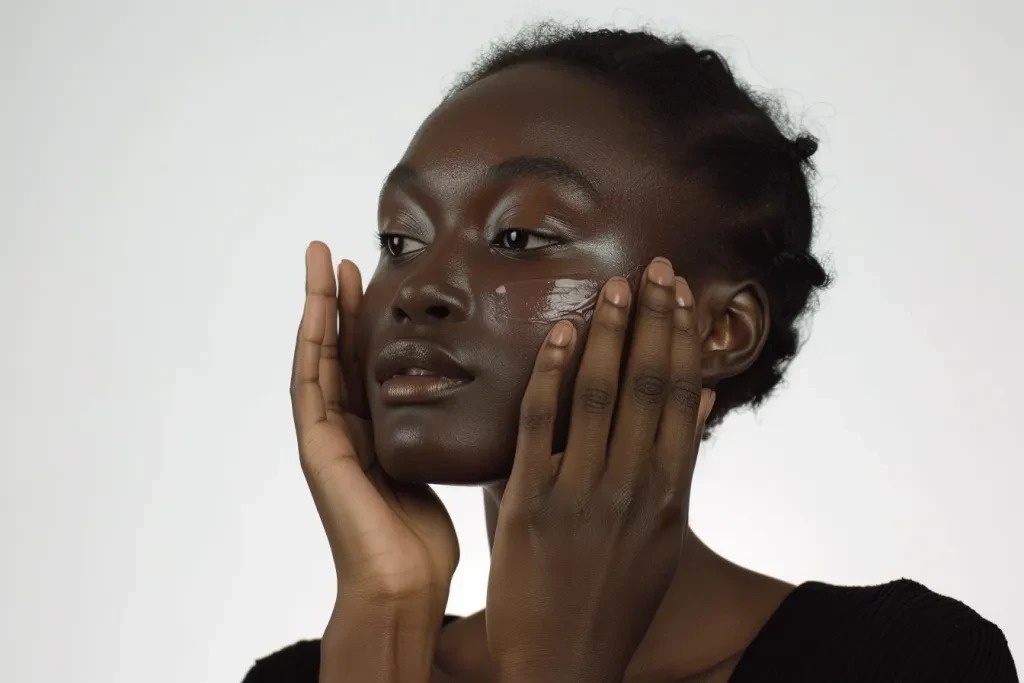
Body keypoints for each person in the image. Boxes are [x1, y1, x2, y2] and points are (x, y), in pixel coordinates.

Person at [245, 22, 1017, 683]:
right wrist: (382, 611)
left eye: (518, 238)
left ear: (722, 331)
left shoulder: (901, 664)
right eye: (400, 240)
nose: (418, 290)